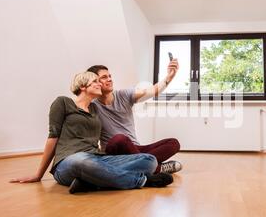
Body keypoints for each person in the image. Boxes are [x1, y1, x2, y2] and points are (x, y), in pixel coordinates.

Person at [10, 71, 173, 194]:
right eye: (95, 81)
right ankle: (142, 181)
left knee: (149, 160)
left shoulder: (95, 109)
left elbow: (144, 93)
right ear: (83, 86)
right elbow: (53, 137)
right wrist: (38, 175)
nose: (100, 84)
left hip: (97, 159)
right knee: (81, 161)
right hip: (68, 162)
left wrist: (168, 78)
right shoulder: (63, 103)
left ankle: (91, 183)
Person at [87, 61, 182, 175]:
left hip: (134, 148)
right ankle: (157, 168)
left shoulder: (124, 95)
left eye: (110, 76)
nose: (109, 79)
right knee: (120, 139)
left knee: (173, 143)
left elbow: (152, 91)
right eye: (104, 77)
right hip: (114, 151)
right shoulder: (91, 105)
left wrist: (170, 76)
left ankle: (144, 165)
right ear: (95, 82)